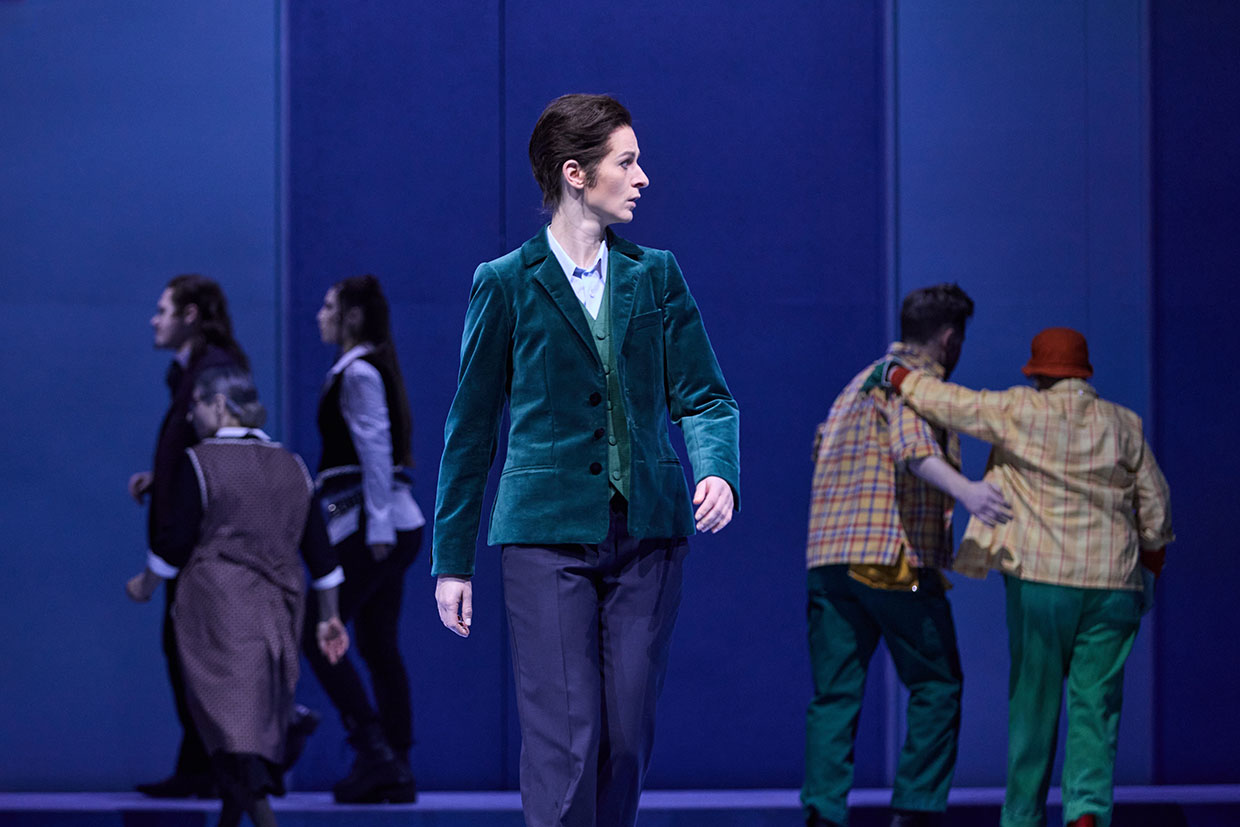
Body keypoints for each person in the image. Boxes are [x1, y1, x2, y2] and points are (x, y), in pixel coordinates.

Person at [433, 93, 740, 827]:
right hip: (545, 539)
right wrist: (452, 561)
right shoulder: (506, 282)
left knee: (625, 742)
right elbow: (470, 430)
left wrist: (717, 469)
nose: (642, 177)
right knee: (565, 747)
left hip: (648, 536)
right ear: (576, 173)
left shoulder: (656, 275)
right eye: (626, 162)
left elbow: (705, 396)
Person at [877, 327, 1174, 827]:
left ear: (1037, 373)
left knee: (1034, 701)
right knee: (1096, 704)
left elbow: (952, 404)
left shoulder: (1021, 409)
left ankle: (1022, 816)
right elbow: (1156, 507)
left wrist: (900, 376)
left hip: (1042, 578)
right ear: (1083, 372)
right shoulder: (1124, 424)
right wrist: (1150, 571)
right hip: (1114, 583)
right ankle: (1086, 813)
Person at [802, 284, 1013, 827]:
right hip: (888, 559)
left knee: (834, 696)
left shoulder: (853, 387)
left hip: (828, 561)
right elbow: (914, 448)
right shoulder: (913, 384)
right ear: (949, 338)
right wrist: (968, 492)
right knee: (937, 684)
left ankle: (823, 815)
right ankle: (916, 813)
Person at [126, 367, 349, 827]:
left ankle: (266, 805)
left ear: (219, 405)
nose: (191, 415)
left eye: (196, 404)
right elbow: (322, 558)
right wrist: (329, 617)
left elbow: (175, 543)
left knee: (228, 730)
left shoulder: (201, 462)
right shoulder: (292, 466)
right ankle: (279, 740)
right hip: (278, 611)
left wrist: (144, 585)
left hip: (217, 610)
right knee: (247, 720)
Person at [301, 274, 424, 803]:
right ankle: (395, 763)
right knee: (377, 644)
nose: (320, 314)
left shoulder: (358, 373)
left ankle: (377, 752)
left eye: (329, 306)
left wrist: (376, 528)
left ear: (352, 316)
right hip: (390, 525)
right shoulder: (362, 368)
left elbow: (376, 451)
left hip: (375, 527)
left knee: (315, 630)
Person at [127, 274, 249, 798]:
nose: (154, 320)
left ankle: (228, 766)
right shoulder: (193, 372)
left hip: (202, 542)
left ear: (190, 314)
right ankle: (207, 766)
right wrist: (163, 477)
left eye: (163, 310)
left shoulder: (213, 371)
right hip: (196, 537)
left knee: (196, 655)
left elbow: (226, 453)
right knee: (188, 653)